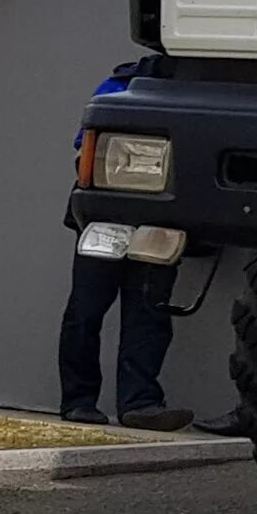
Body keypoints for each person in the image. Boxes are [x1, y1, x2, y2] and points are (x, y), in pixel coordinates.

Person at [57, 58, 193, 432]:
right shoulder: (123, 84)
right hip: (113, 215)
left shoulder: (127, 84)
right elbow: (86, 142)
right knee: (92, 310)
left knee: (143, 311)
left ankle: (136, 403)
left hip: (150, 218)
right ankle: (86, 401)